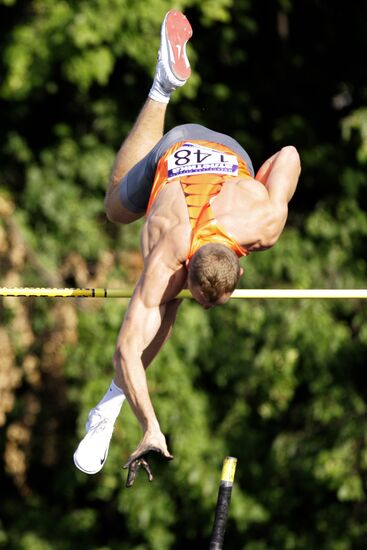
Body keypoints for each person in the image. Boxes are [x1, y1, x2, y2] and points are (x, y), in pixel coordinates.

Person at [73, 9, 301, 486]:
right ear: (188, 268)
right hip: (181, 150)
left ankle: (108, 409)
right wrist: (149, 426)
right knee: (117, 208)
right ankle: (162, 87)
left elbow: (289, 156)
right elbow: (125, 351)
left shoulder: (264, 223)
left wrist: (255, 188)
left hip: (229, 160)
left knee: (165, 307)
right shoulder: (171, 257)